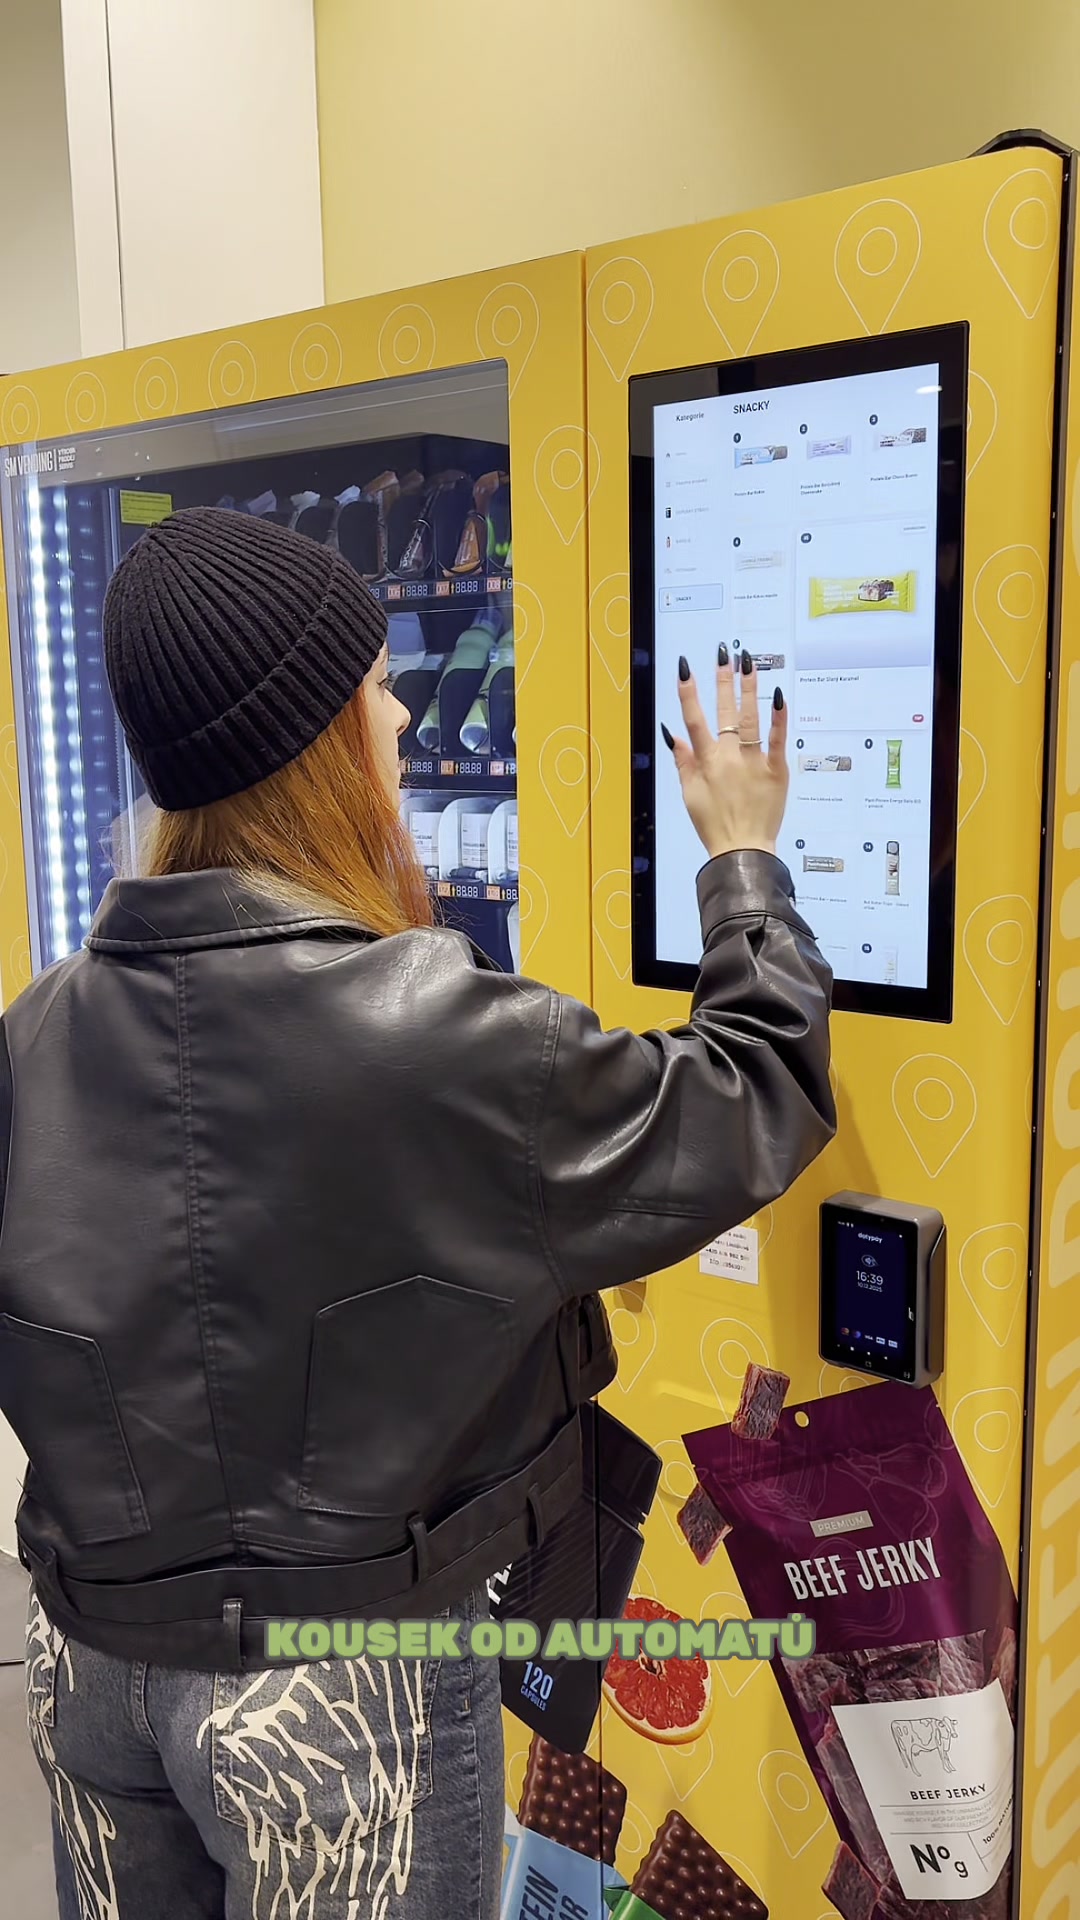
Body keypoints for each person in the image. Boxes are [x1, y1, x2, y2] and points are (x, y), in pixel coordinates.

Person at [0, 508, 834, 1920]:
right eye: (377, 685)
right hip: (344, 1694)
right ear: (322, 739)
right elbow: (755, 1092)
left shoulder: (30, 1041)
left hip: (91, 1665)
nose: (398, 715)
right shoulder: (445, 1035)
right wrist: (742, 861)